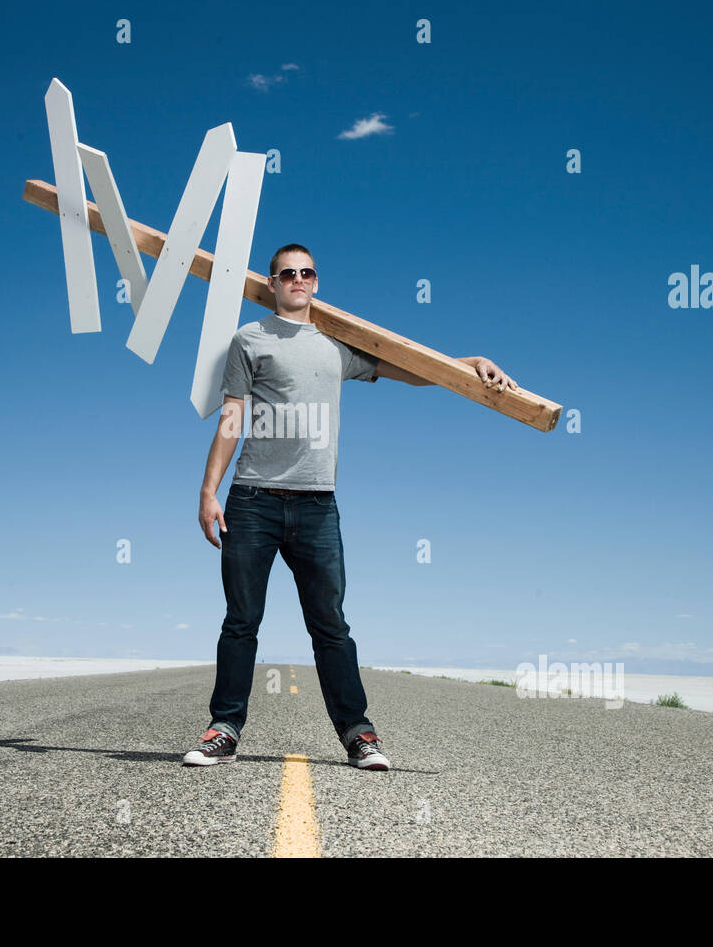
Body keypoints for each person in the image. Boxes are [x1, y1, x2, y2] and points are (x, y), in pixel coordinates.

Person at [185, 243, 517, 770]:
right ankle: (223, 729)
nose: (297, 279)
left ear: (316, 282)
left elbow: (406, 368)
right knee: (241, 621)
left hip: (317, 507)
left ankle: (359, 736)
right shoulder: (249, 340)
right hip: (252, 500)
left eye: (306, 272)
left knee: (331, 626)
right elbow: (232, 418)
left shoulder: (336, 345)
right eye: (287, 273)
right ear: (271, 283)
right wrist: (208, 491)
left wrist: (468, 363)